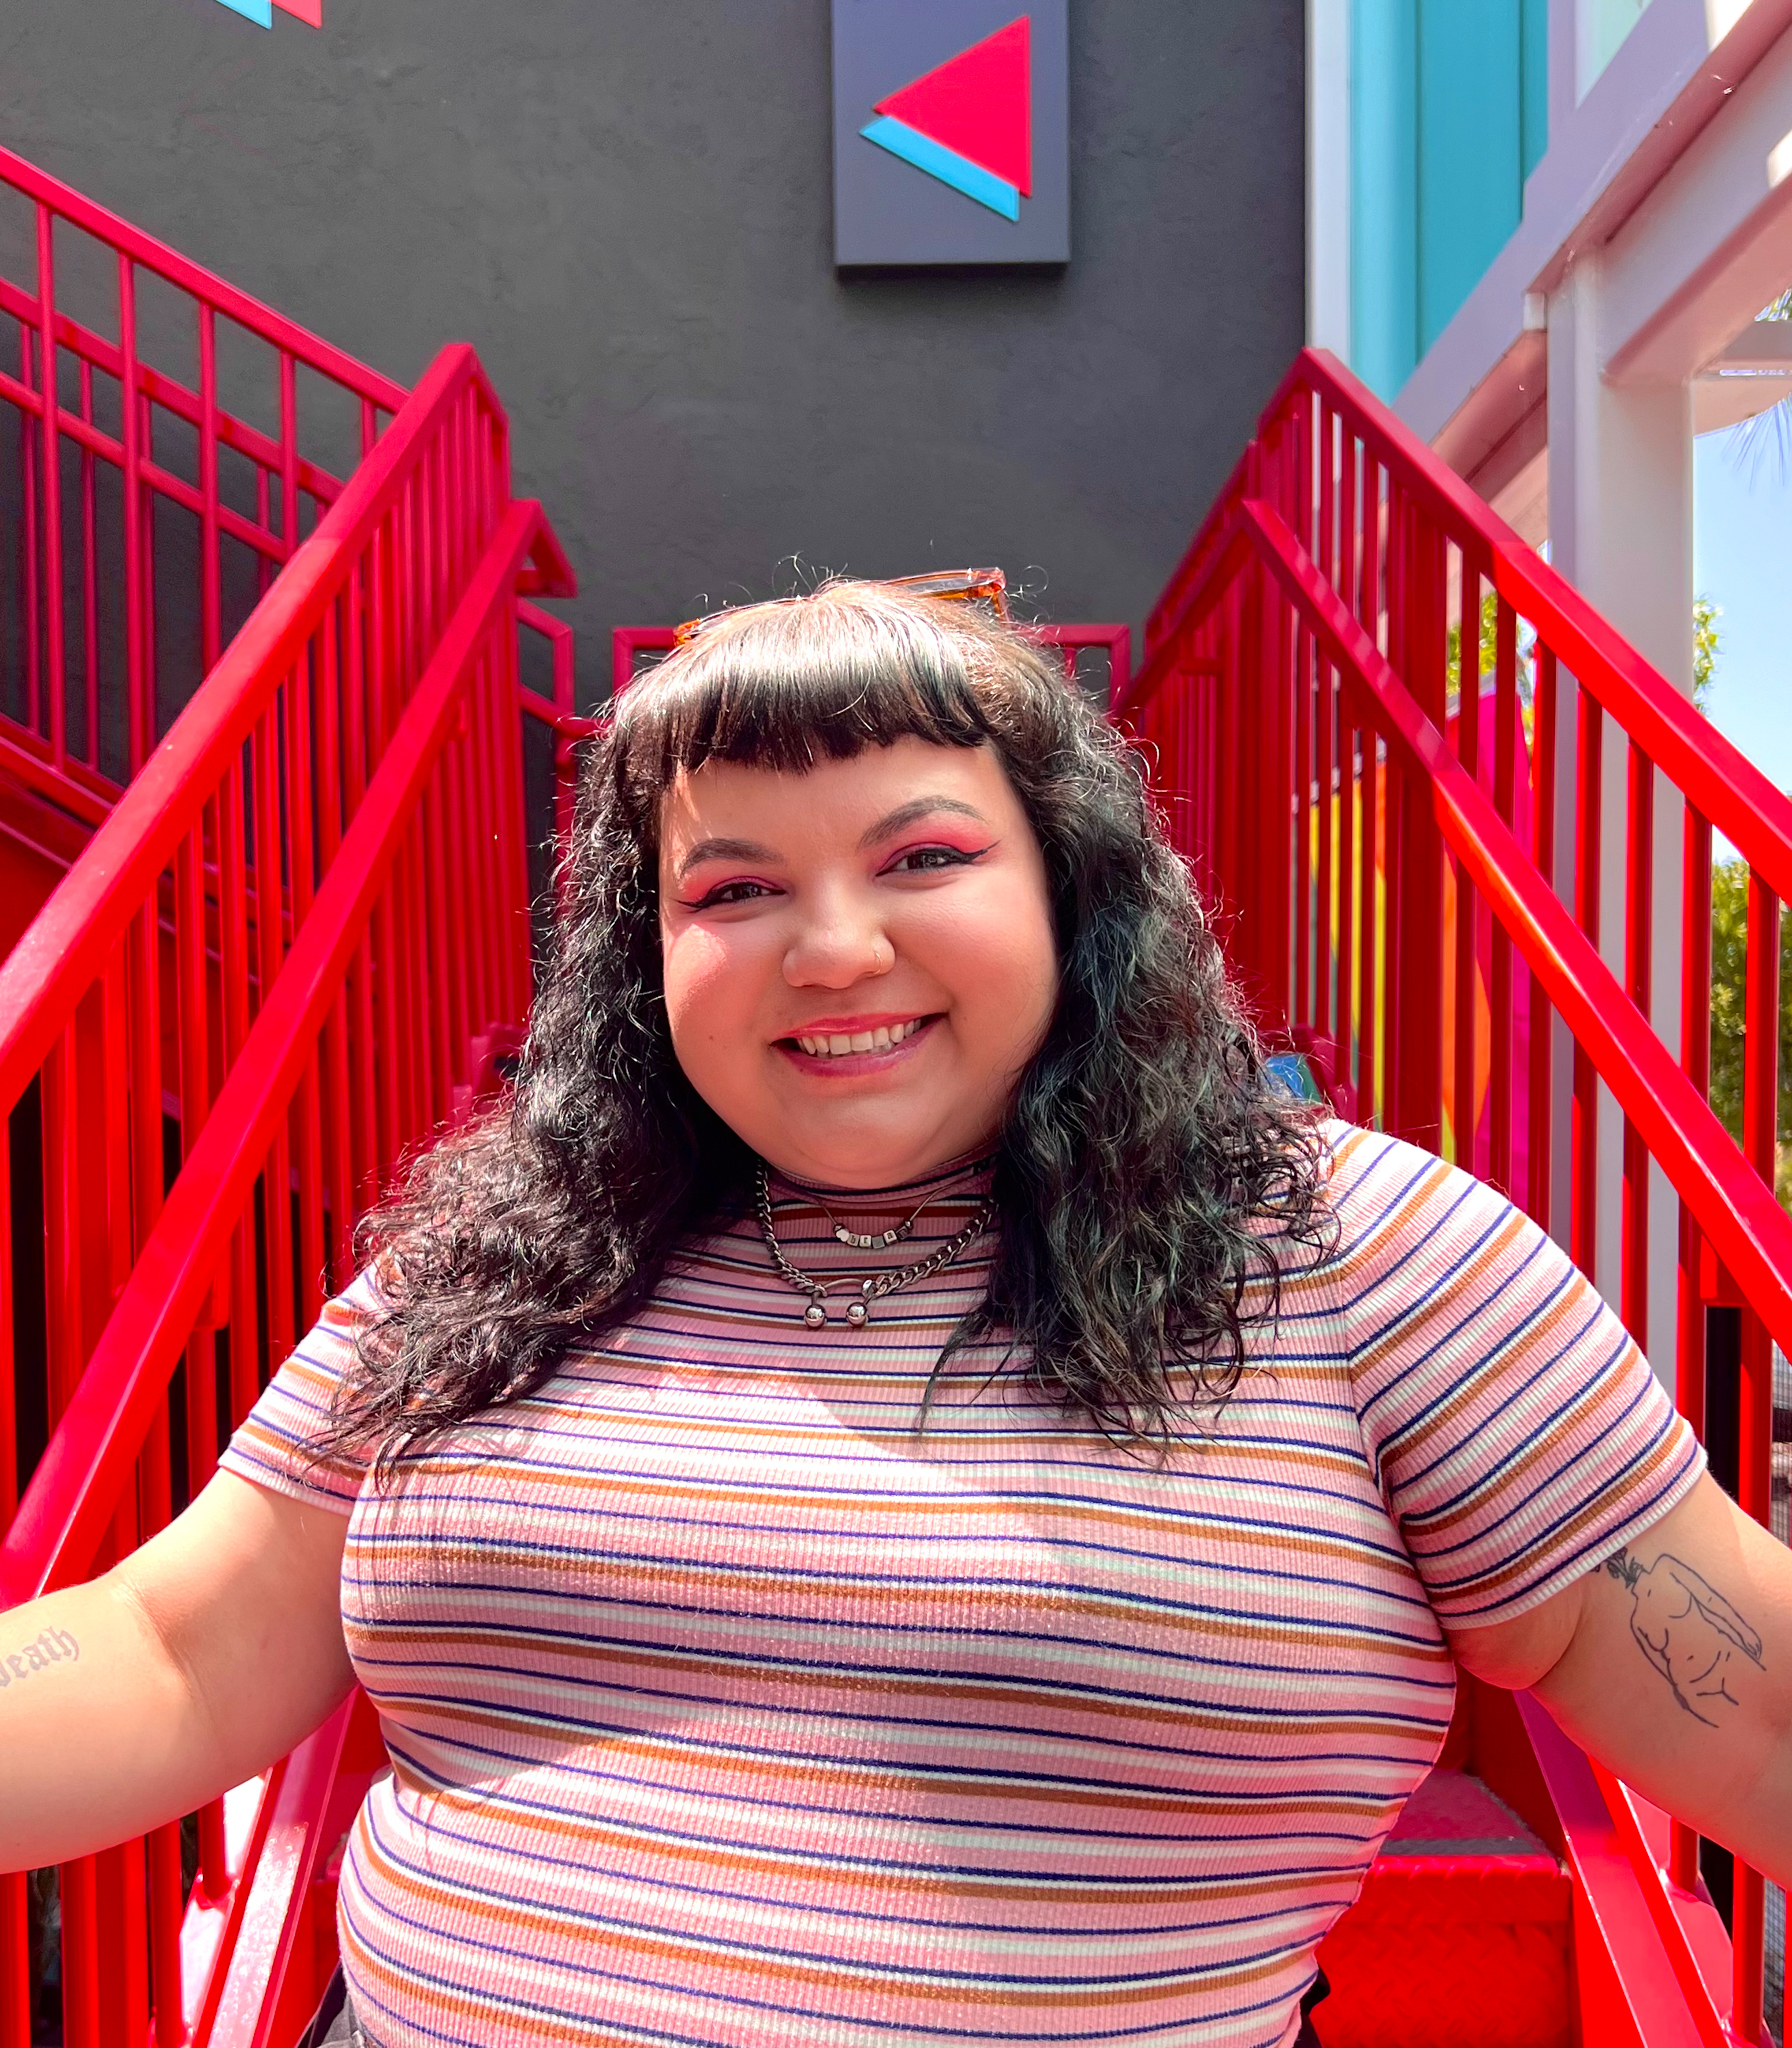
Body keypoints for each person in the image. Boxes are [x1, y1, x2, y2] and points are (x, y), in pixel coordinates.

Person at [2, 574, 1789, 2048]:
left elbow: (1746, 1700)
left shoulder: (1358, 1258)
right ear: (648, 955)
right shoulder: (492, 1264)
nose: (833, 946)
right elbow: (174, 1652)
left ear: (1071, 893)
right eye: (736, 887)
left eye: (922, 857)